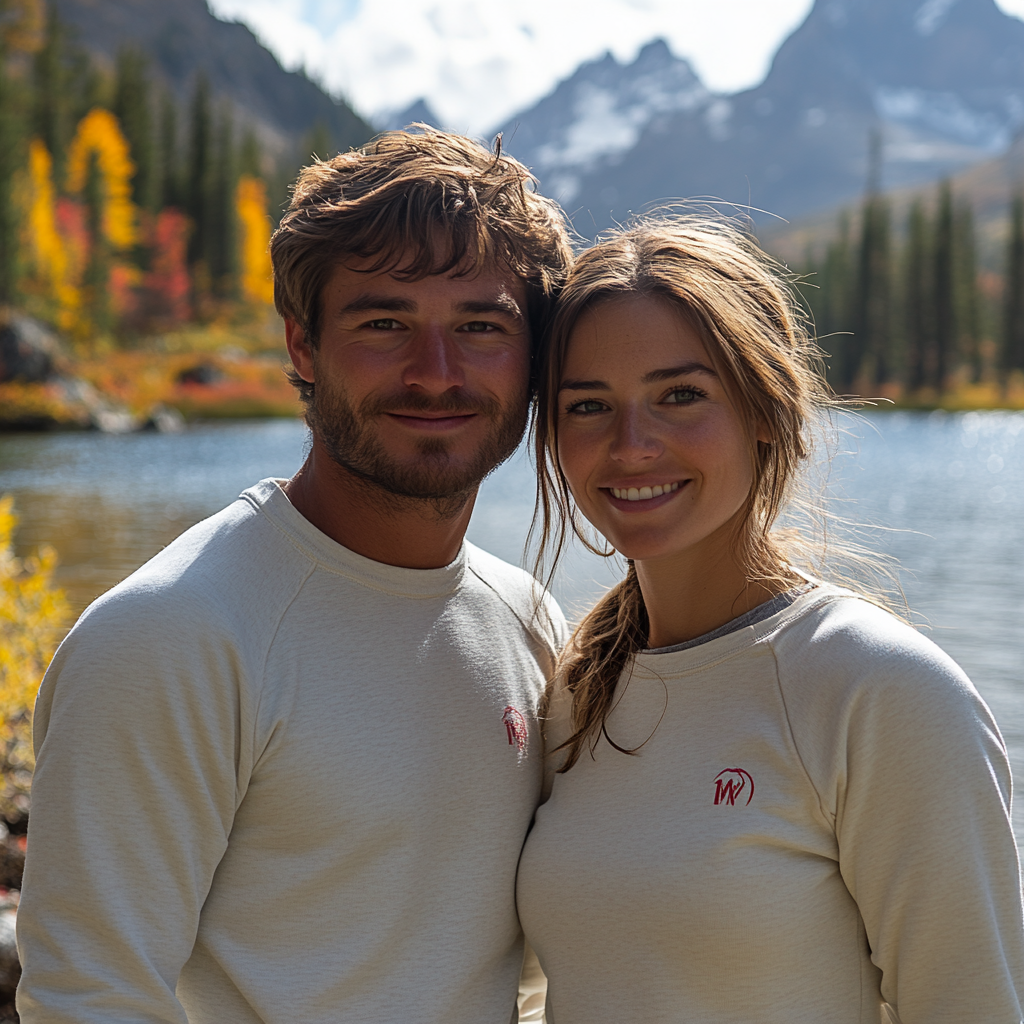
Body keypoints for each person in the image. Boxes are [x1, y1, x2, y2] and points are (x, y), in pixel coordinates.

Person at [17, 128, 572, 1024]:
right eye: (383, 322)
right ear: (304, 347)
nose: (435, 373)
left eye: (480, 326)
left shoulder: (530, 621)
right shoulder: (172, 635)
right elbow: (90, 997)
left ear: (534, 357)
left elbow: (532, 982)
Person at [516, 217, 1024, 1023]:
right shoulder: (579, 693)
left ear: (763, 408)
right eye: (588, 406)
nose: (631, 444)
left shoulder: (882, 693)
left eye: (680, 395)